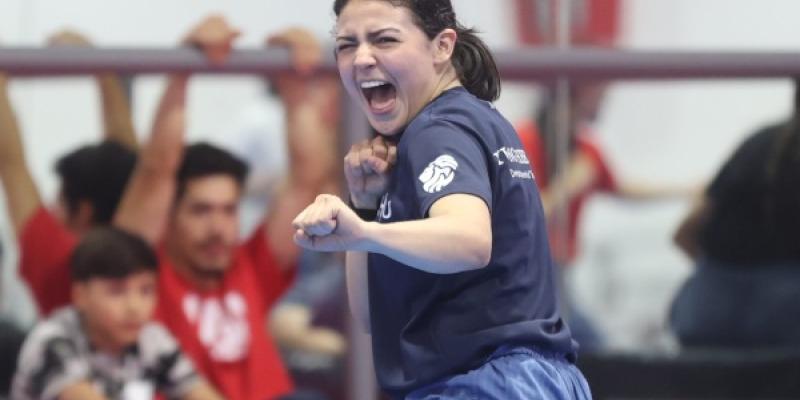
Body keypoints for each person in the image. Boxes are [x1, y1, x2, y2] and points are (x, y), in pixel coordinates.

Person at [291, 1, 592, 398]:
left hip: (491, 384)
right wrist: (365, 206)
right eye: (347, 44)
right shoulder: (463, 122)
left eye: (384, 39)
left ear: (442, 46)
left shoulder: (438, 130)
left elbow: (470, 241)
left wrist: (362, 232)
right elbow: (367, 315)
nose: (362, 58)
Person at [110, 16, 339, 399]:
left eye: (228, 211)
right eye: (200, 211)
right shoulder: (143, 279)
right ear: (170, 216)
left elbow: (307, 180)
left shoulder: (248, 268)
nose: (218, 227)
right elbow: (156, 171)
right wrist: (183, 69)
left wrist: (294, 83)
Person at [0, 30, 138, 316]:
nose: (51, 209)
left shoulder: (59, 263)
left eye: (60, 202)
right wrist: (102, 70)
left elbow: (11, 161)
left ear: (84, 211)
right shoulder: (144, 248)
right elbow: (128, 162)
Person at [11, 226, 222, 400]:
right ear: (80, 295)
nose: (134, 306)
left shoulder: (151, 338)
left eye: (145, 290)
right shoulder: (53, 340)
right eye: (117, 291)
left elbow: (201, 394)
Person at [670, 80, 800, 349]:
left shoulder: (759, 143)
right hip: (780, 327)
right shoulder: (765, 145)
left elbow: (683, 233)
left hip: (704, 313)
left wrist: (721, 280)